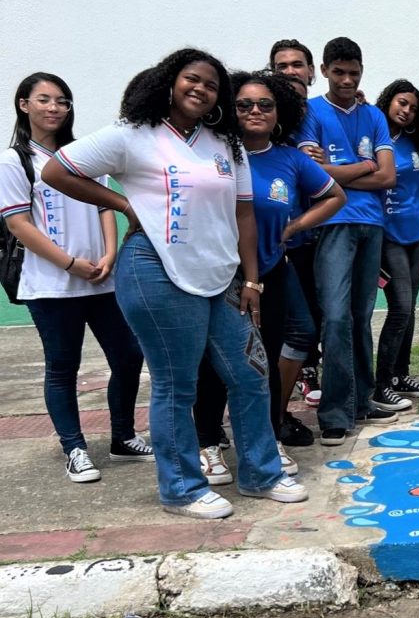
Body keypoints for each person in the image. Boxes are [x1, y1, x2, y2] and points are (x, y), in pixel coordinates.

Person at [42, 49, 307, 518]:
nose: (200, 89)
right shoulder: (132, 135)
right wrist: (125, 206)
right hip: (155, 270)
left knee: (251, 375)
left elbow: (244, 212)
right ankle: (182, 488)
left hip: (221, 276)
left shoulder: (226, 144)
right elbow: (58, 170)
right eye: (192, 78)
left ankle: (261, 474)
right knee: (176, 384)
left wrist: (251, 278)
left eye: (211, 85)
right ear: (170, 81)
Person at [193, 71, 344, 485]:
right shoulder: (215, 156)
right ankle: (208, 442)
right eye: (244, 105)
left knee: (266, 358)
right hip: (220, 277)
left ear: (280, 113)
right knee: (216, 362)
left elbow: (335, 196)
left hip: (271, 273)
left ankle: (266, 435)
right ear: (231, 109)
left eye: (265, 105)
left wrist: (295, 227)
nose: (255, 111)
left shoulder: (291, 159)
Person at [0, 72, 151, 483]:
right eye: (44, 100)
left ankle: (123, 437)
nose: (54, 108)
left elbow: (106, 208)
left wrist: (109, 255)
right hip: (51, 285)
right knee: (62, 366)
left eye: (62, 101)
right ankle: (75, 448)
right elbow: (18, 225)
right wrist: (69, 264)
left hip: (102, 279)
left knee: (128, 356)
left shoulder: (82, 155)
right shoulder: (15, 161)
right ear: (23, 105)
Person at [294, 37, 401, 446]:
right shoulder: (312, 114)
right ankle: (335, 413)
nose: (346, 79)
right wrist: (364, 166)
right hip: (331, 223)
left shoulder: (373, 116)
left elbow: (388, 177)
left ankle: (361, 400)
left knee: (360, 317)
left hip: (371, 225)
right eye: (339, 71)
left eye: (353, 73)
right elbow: (310, 173)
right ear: (324, 70)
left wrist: (338, 168)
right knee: (335, 318)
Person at [373, 80, 419, 410]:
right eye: (401, 102)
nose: (406, 110)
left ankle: (401, 375)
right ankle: (380, 384)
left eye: (413, 107)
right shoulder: (374, 136)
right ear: (388, 101)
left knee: (409, 306)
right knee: (399, 307)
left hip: (418, 233)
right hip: (388, 236)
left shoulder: (417, 141)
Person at [269, 38, 323, 410]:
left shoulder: (320, 115)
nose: (290, 71)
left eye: (297, 64)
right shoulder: (266, 120)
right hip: (276, 244)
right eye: (281, 66)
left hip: (318, 235)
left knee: (316, 316)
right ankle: (274, 407)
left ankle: (308, 373)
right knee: (285, 326)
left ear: (311, 72)